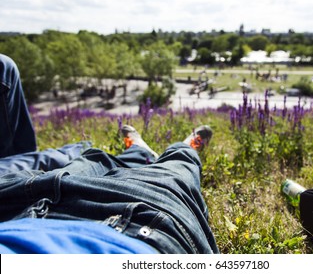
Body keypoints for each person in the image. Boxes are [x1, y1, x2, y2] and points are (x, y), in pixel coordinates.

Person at [0, 54, 219, 254]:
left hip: (21, 205)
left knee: (94, 159)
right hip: (131, 233)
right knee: (174, 172)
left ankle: (138, 152)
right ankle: (186, 148)